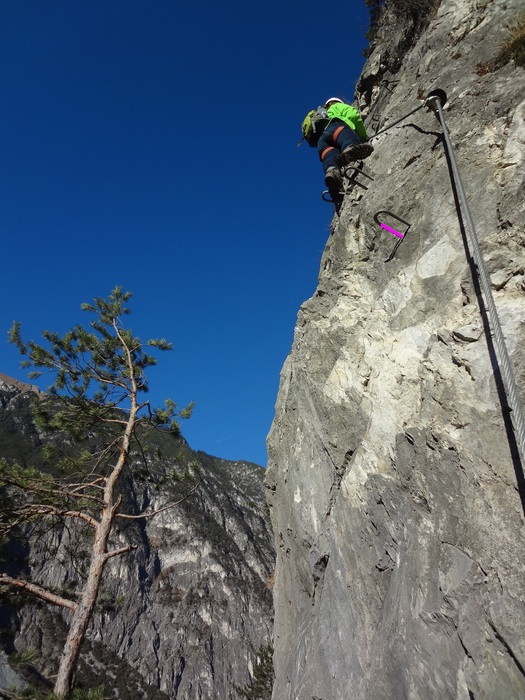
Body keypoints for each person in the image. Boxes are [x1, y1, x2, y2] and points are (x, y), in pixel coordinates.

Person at [318, 97, 373, 201]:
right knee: (348, 139)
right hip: (338, 127)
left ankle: (332, 172)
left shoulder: (322, 115)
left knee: (330, 156)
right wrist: (363, 136)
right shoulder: (337, 106)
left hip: (323, 140)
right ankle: (349, 149)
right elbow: (353, 115)